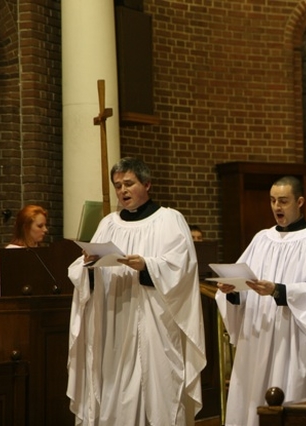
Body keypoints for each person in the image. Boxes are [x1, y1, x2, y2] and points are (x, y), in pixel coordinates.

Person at [66, 157, 206, 425]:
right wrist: (87, 265)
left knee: (157, 389)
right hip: (113, 321)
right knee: (111, 390)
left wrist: (147, 265)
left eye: (129, 184)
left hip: (154, 324)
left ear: (147, 184)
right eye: (118, 186)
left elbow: (183, 268)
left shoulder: (169, 220)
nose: (122, 191)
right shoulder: (108, 223)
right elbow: (82, 268)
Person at [215, 175, 306, 426]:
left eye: (283, 201)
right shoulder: (262, 239)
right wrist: (232, 291)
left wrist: (279, 291)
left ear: (300, 201)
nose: (276, 207)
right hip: (259, 335)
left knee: (292, 393)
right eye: (272, 201)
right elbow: (244, 278)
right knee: (255, 393)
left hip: (294, 336)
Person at [0, 204, 49, 297]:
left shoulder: (43, 253)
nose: (45, 230)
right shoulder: (10, 254)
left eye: (45, 225)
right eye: (40, 226)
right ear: (26, 228)